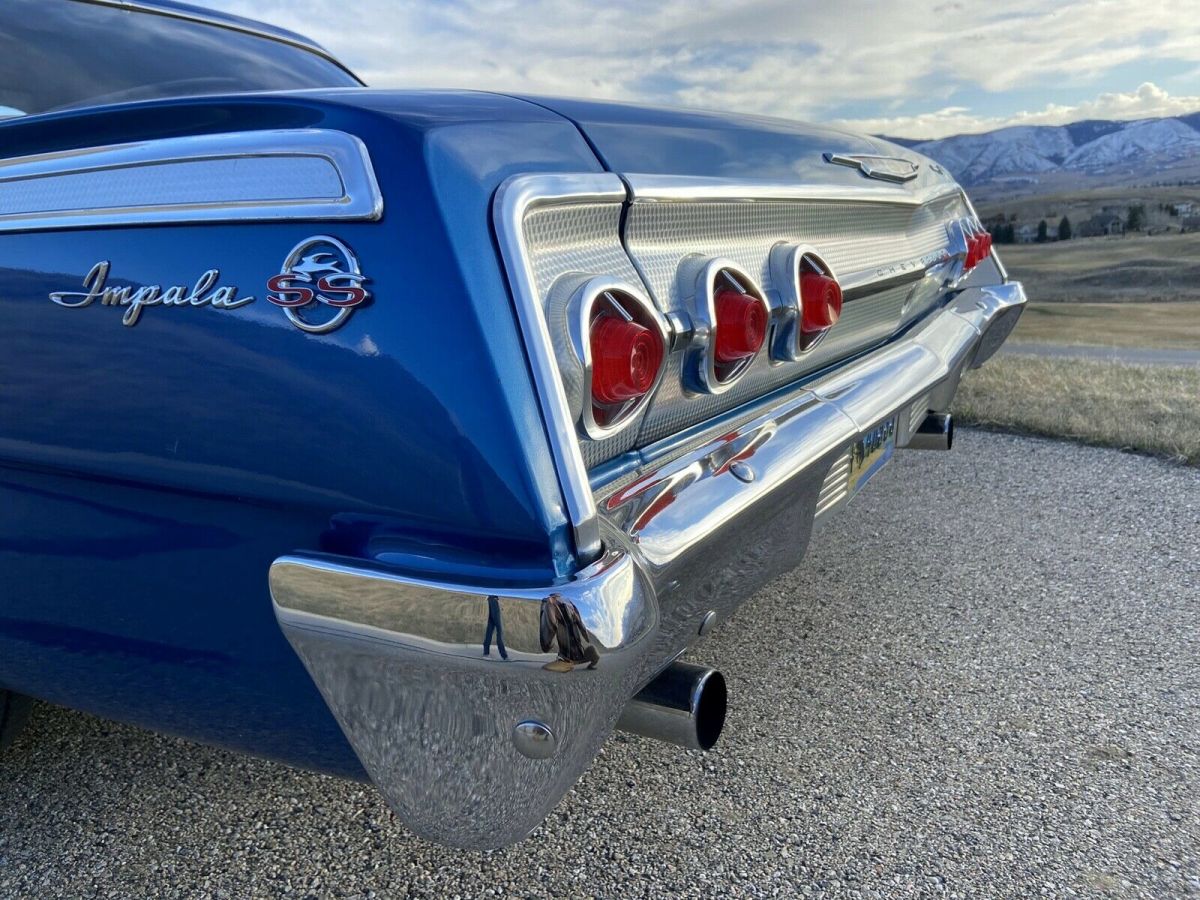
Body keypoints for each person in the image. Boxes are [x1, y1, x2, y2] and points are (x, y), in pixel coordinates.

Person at [539, 592, 599, 672]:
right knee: (546, 667)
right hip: (566, 657)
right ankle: (566, 663)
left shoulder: (570, 605)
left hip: (580, 654)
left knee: (594, 652)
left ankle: (586, 665)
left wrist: (584, 632)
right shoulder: (551, 603)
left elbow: (581, 625)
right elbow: (552, 624)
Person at [482, 594, 507, 660]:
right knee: (499, 629)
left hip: (491, 599)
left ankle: (486, 652)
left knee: (490, 627)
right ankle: (504, 655)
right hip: (494, 599)